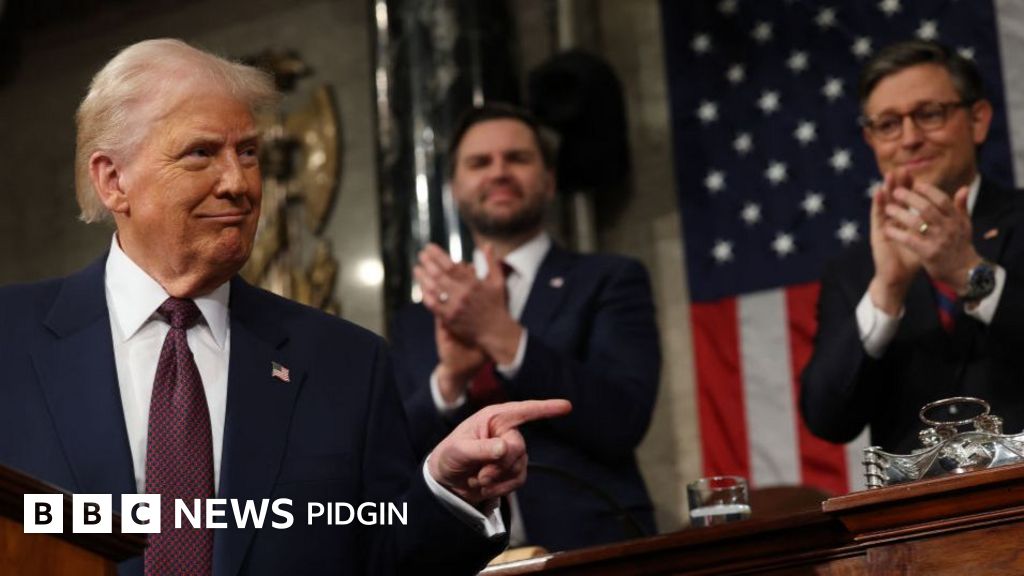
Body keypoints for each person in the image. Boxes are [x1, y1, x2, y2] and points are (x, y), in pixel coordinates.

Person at [0, 39, 572, 576]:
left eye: (248, 153)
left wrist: (449, 493)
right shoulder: (10, 339)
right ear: (113, 180)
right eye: (201, 153)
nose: (239, 183)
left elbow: (385, 557)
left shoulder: (345, 365)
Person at [390, 103, 660, 551]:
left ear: (549, 180)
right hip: (458, 557)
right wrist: (450, 380)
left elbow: (622, 420)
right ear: (454, 189)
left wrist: (504, 337)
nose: (499, 172)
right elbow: (394, 458)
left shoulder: (610, 279)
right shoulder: (416, 320)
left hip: (593, 549)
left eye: (516, 158)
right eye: (480, 162)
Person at [801, 39, 1024, 455]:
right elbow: (827, 419)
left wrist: (969, 274)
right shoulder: (854, 271)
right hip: (918, 496)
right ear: (871, 139)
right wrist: (886, 291)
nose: (909, 139)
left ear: (977, 120)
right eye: (888, 124)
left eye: (929, 114)